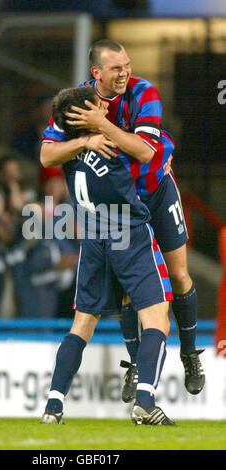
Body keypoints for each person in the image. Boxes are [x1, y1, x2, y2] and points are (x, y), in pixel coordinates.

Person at [62, 39, 205, 401]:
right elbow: (52, 146)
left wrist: (101, 126)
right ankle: (138, 365)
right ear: (97, 73)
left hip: (156, 190)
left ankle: (189, 353)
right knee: (129, 290)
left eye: (127, 64)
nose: (125, 72)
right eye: (116, 68)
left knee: (179, 274)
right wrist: (83, 140)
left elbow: (146, 149)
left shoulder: (145, 91)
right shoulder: (79, 100)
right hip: (121, 205)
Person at [40, 85, 175, 426]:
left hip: (93, 240)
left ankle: (53, 407)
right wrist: (165, 155)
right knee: (157, 317)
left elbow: (46, 156)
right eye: (97, 105)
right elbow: (150, 155)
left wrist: (84, 140)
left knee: (82, 324)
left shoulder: (67, 150)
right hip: (129, 235)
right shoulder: (112, 144)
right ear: (88, 114)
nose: (103, 106)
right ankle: (145, 401)